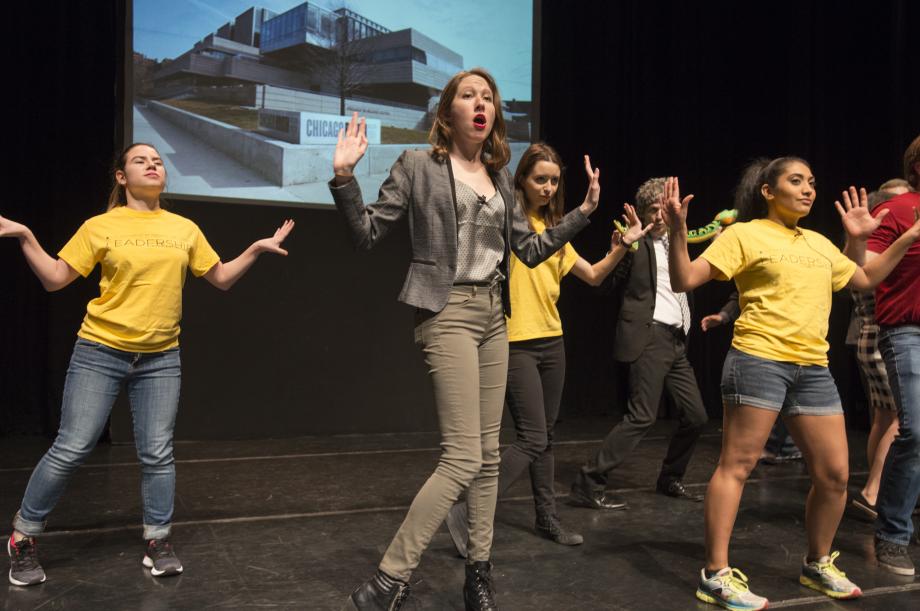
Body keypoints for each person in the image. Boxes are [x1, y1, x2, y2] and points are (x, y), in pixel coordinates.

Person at [329, 69, 598, 611]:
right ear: (447, 112)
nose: (482, 104)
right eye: (468, 96)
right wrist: (343, 177)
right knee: (461, 457)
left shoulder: (500, 179)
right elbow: (367, 233)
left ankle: (479, 573)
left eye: (488, 97)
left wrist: (583, 214)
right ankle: (389, 579)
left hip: (494, 316)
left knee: (490, 456)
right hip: (445, 310)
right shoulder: (417, 166)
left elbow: (529, 248)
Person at [2, 143, 294, 586]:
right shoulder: (100, 225)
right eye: (141, 160)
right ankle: (23, 536)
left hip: (161, 357)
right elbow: (55, 278)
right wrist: (26, 235)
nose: (153, 165)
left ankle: (158, 539)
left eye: (157, 161)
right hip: (100, 350)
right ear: (121, 177)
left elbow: (219, 279)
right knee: (73, 446)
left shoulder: (184, 228)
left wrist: (254, 249)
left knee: (157, 453)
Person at [663, 158, 920, 610]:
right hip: (759, 359)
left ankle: (817, 563)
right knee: (736, 465)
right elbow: (685, 279)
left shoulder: (820, 243)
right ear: (767, 190)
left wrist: (901, 238)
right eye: (795, 181)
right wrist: (679, 231)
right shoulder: (744, 234)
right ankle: (715, 574)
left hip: (812, 368)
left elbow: (863, 278)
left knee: (836, 475)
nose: (807, 190)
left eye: (812, 183)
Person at [445, 143, 652, 555]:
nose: (548, 187)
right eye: (540, 178)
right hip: (513, 340)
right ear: (521, 178)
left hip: (551, 341)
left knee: (547, 437)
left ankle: (547, 517)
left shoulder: (554, 228)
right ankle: (467, 509)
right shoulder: (507, 222)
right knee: (532, 437)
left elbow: (592, 276)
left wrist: (623, 246)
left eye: (554, 180)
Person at [569, 177, 709, 512]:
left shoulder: (679, 242)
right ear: (643, 214)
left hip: (676, 340)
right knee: (642, 416)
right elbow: (604, 286)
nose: (659, 216)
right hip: (649, 338)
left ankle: (670, 477)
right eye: (652, 210)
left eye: (664, 209)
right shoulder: (635, 245)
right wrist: (619, 249)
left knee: (696, 415)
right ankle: (588, 482)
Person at [862, 135, 920, 575]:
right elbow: (864, 271)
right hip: (907, 331)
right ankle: (893, 534)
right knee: (914, 431)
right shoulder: (898, 210)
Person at [848, 184, 909, 522]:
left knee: (884, 418)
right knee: (904, 419)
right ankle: (875, 492)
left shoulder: (865, 246)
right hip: (885, 338)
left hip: (869, 338)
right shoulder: (878, 248)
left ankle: (876, 486)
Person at [702, 291, 803, 464]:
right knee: (766, 397)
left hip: (800, 343)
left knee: (794, 397)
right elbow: (740, 294)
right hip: (763, 344)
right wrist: (723, 316)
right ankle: (769, 446)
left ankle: (788, 447)